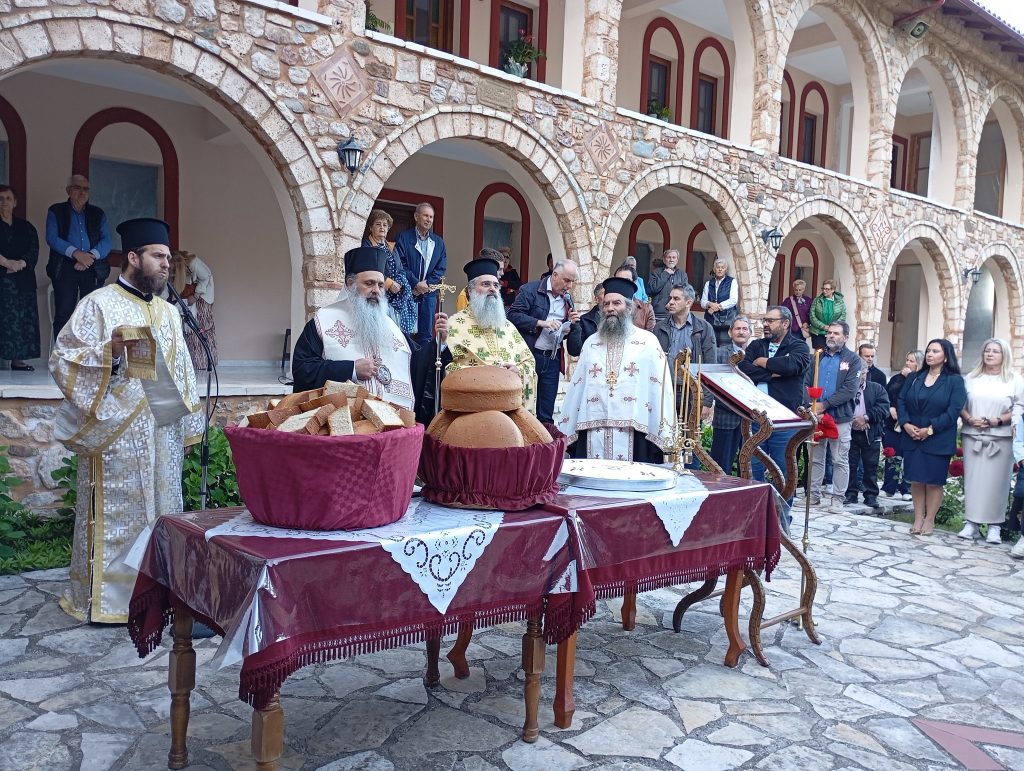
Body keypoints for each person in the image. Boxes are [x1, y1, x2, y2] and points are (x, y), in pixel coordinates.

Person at [49, 217, 204, 623]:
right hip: (116, 434)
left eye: (168, 257)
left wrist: (189, 429)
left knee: (163, 512)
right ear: (133, 257)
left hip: (163, 434)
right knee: (120, 516)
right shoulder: (98, 304)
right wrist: (111, 353)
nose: (167, 264)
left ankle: (160, 594)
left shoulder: (170, 312)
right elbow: (64, 358)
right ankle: (114, 602)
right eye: (158, 256)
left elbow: (184, 371)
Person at [291, 246, 448, 424]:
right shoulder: (324, 321)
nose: (376, 290)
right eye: (369, 283)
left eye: (381, 285)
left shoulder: (391, 326)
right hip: (344, 426)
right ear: (350, 284)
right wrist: (351, 369)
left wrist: (439, 344)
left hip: (391, 425)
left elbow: (416, 364)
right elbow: (303, 369)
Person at [557, 276, 675, 461]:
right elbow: (577, 387)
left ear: (629, 308)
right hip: (593, 427)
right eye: (606, 304)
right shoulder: (591, 343)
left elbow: (661, 388)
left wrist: (665, 433)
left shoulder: (648, 342)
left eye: (616, 303)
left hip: (636, 431)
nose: (610, 308)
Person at [738, 306, 811, 526]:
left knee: (784, 471)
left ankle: (781, 521)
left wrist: (763, 363)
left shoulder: (798, 346)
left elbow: (793, 366)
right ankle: (755, 521)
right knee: (753, 469)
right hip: (756, 419)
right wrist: (774, 373)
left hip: (783, 420)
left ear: (785, 323)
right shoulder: (756, 345)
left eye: (771, 321)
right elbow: (743, 368)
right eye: (765, 320)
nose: (765, 324)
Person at [443, 256, 537, 412]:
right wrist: (485, 375)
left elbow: (529, 362)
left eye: (496, 285)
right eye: (486, 284)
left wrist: (518, 370)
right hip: (473, 409)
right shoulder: (454, 325)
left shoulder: (508, 326)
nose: (492, 289)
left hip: (509, 407)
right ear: (470, 291)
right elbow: (447, 368)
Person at [898, 339, 967, 537]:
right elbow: (901, 400)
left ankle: (930, 520)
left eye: (935, 351)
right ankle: (918, 518)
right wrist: (906, 423)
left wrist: (930, 430)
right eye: (928, 350)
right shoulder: (914, 378)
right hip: (912, 435)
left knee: (934, 481)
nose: (929, 354)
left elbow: (953, 410)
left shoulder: (954, 381)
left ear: (946, 356)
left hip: (938, 438)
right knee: (916, 479)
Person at [958, 338, 1024, 544]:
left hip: (1000, 437)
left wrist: (997, 420)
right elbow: (960, 403)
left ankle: (995, 526)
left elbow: (1020, 406)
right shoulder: (972, 377)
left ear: (1004, 355)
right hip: (973, 434)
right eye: (987, 350)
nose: (990, 354)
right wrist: (969, 418)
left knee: (998, 483)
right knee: (973, 481)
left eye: (995, 351)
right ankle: (972, 523)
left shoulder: (1014, 379)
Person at [508, 259, 582, 424]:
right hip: (530, 357)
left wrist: (571, 325)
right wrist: (541, 323)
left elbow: (570, 341)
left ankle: (545, 441)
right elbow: (512, 316)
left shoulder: (567, 299)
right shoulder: (530, 290)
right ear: (555, 275)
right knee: (523, 408)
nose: (569, 286)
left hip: (553, 359)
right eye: (566, 280)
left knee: (546, 413)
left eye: (572, 282)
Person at [46, 174, 112, 339]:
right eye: (77, 188)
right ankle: (62, 353)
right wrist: (76, 254)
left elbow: (107, 241)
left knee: (91, 314)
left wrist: (89, 256)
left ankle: (88, 352)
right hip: (65, 267)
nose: (82, 192)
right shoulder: (56, 211)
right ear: (68, 191)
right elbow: (52, 238)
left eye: (86, 189)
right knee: (64, 312)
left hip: (92, 266)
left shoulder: (98, 213)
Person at [805, 321, 861, 513]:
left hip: (839, 417)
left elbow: (850, 389)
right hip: (816, 415)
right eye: (829, 333)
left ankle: (837, 499)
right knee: (815, 458)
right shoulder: (817, 356)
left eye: (836, 333)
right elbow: (806, 382)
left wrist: (825, 404)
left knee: (839, 459)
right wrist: (812, 405)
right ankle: (812, 496)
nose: (831, 336)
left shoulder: (853, 360)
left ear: (845, 337)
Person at [394, 202, 447, 345]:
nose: (429, 220)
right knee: (405, 333)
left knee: (425, 336)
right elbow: (400, 264)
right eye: (425, 216)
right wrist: (416, 284)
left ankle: (423, 360)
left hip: (429, 295)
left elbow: (441, 268)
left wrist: (427, 284)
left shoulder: (438, 242)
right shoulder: (403, 237)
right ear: (416, 217)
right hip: (407, 292)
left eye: (431, 217)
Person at [0, 185, 40, 371]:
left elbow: (34, 250)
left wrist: (20, 264)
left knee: (23, 319)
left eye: (8, 198)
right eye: (0, 198)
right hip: (2, 281)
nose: (4, 202)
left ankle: (18, 360)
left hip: (23, 281)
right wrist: (7, 263)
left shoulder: (26, 227)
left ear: (15, 202)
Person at [363, 209, 417, 336]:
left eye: (385, 225)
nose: (382, 227)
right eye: (378, 224)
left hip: (397, 294)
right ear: (371, 227)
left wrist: (399, 284)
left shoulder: (392, 247)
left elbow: (401, 269)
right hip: (378, 295)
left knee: (397, 335)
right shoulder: (367, 246)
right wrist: (389, 283)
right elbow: (370, 269)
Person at [709, 316, 752, 474]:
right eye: (737, 328)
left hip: (751, 418)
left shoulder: (755, 354)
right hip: (725, 416)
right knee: (720, 467)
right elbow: (713, 383)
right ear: (730, 332)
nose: (741, 332)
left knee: (748, 468)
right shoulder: (719, 353)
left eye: (744, 329)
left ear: (750, 333)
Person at [843, 366, 890, 509]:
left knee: (871, 466)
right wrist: (853, 420)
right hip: (850, 431)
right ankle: (850, 494)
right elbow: (841, 405)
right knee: (850, 464)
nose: (860, 376)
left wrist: (866, 418)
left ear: (866, 373)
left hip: (870, 432)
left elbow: (884, 408)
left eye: (863, 373)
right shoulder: (846, 388)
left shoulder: (877, 388)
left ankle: (871, 495)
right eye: (858, 373)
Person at [880, 349, 924, 499]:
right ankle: (889, 487)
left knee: (909, 457)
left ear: (919, 363)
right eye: (907, 360)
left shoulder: (922, 380)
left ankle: (906, 489)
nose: (908, 363)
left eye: (912, 361)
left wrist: (910, 378)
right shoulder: (896, 378)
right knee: (892, 454)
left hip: (911, 424)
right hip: (893, 424)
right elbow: (886, 396)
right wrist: (890, 407)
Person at [167, 250, 217, 370]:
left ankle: (205, 362)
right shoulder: (177, 267)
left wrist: (196, 296)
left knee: (201, 326)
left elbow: (206, 277)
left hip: (203, 297)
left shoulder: (193, 263)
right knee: (190, 326)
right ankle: (196, 362)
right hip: (192, 295)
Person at [654, 284, 716, 368]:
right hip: (664, 376)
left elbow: (710, 365)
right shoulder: (659, 327)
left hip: (691, 376)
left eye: (676, 299)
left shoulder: (705, 329)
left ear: (688, 303)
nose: (670, 302)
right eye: (670, 298)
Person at [699, 258, 739, 347]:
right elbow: (703, 302)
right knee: (710, 344)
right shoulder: (708, 283)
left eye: (722, 267)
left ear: (726, 270)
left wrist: (716, 307)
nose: (720, 269)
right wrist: (710, 304)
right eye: (718, 267)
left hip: (727, 320)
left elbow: (733, 300)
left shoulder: (732, 282)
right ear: (714, 269)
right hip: (711, 319)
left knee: (725, 346)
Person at [647, 248, 690, 321]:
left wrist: (672, 303)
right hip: (659, 314)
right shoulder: (656, 272)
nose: (671, 260)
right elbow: (653, 288)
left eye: (674, 257)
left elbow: (685, 293)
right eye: (669, 257)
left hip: (676, 313)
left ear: (677, 260)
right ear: (664, 259)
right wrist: (665, 273)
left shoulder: (682, 275)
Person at [613, 264, 656, 330]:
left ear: (634, 283)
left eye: (627, 280)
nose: (622, 284)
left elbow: (650, 334)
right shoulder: (608, 307)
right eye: (618, 280)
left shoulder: (646, 309)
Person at [808, 279, 845, 350]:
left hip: (834, 332)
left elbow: (843, 315)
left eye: (827, 289)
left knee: (833, 352)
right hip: (818, 332)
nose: (824, 291)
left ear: (833, 290)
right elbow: (812, 315)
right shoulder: (817, 300)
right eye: (823, 288)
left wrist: (832, 327)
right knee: (819, 353)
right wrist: (823, 326)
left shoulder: (840, 302)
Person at [781, 279, 812, 345]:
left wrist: (807, 322)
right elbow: (782, 313)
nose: (798, 292)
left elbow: (811, 314)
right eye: (796, 290)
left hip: (802, 329)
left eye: (800, 290)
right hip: (791, 329)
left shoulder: (808, 300)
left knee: (800, 346)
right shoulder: (788, 300)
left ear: (804, 289)